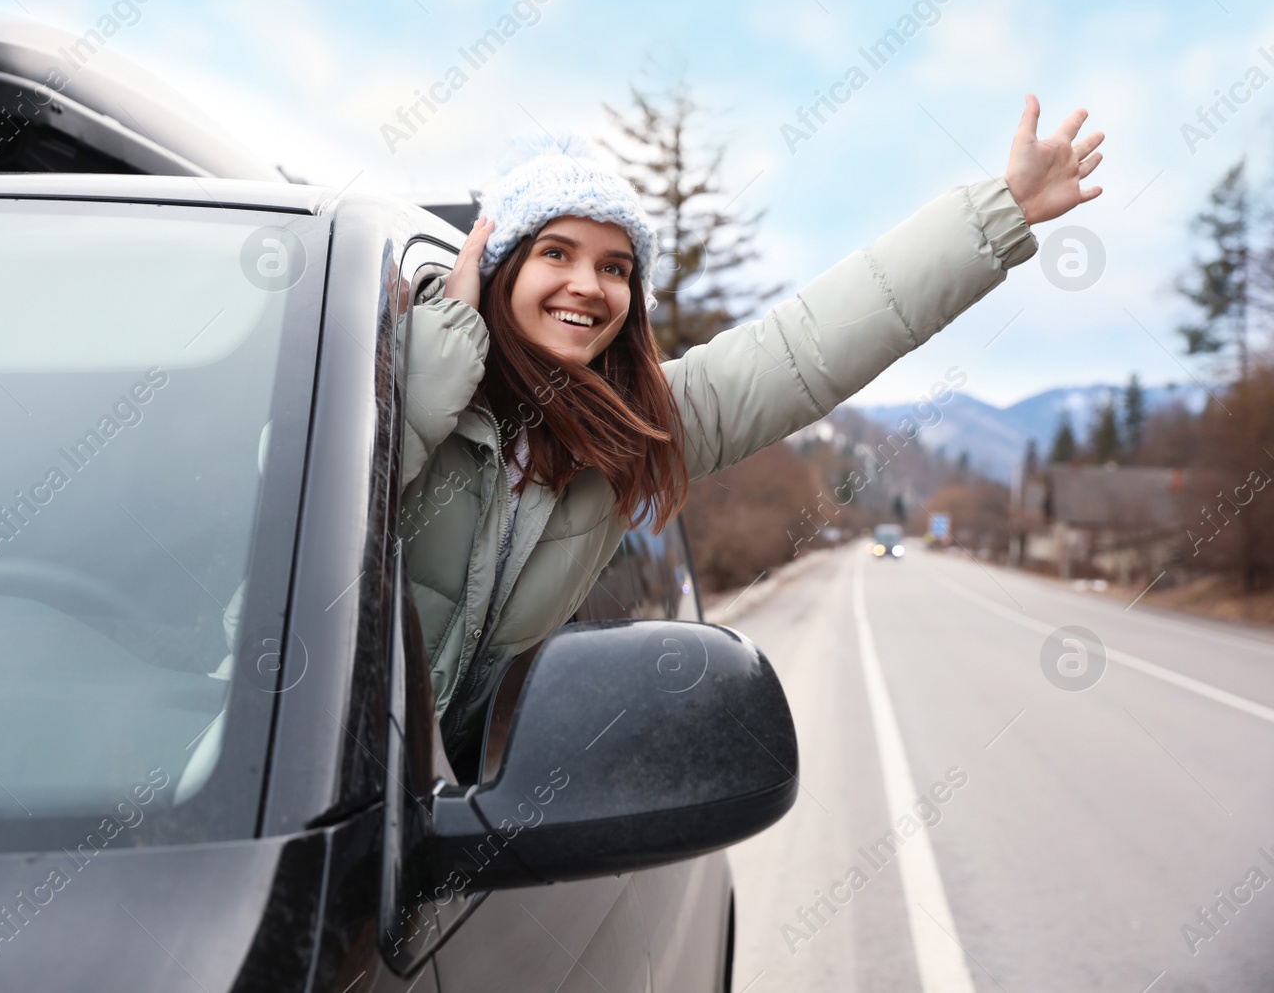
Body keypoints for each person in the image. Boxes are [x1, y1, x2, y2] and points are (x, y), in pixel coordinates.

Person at [400, 94, 1103, 761]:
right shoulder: (393, 367)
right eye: (557, 252)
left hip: (434, 827)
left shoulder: (630, 425)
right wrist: (434, 372)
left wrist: (999, 212)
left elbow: (804, 347)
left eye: (615, 267)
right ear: (497, 267)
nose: (589, 284)